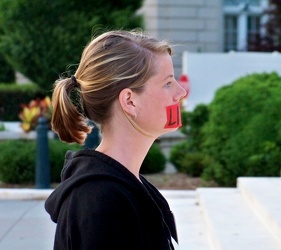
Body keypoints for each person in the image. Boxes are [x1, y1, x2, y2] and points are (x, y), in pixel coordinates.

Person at [45, 30, 186, 250]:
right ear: (129, 101)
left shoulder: (126, 184)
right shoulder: (99, 201)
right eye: (167, 83)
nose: (181, 92)